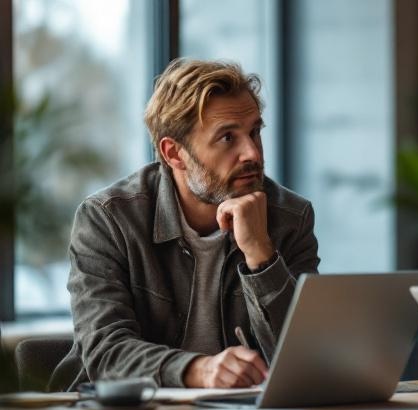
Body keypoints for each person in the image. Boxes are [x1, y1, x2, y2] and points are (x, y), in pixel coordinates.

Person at [50, 59, 320, 391]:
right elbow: (105, 352)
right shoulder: (108, 220)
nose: (252, 153)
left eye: (254, 132)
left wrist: (261, 256)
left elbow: (306, 359)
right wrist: (199, 370)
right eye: (227, 138)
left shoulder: (290, 218)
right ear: (174, 153)